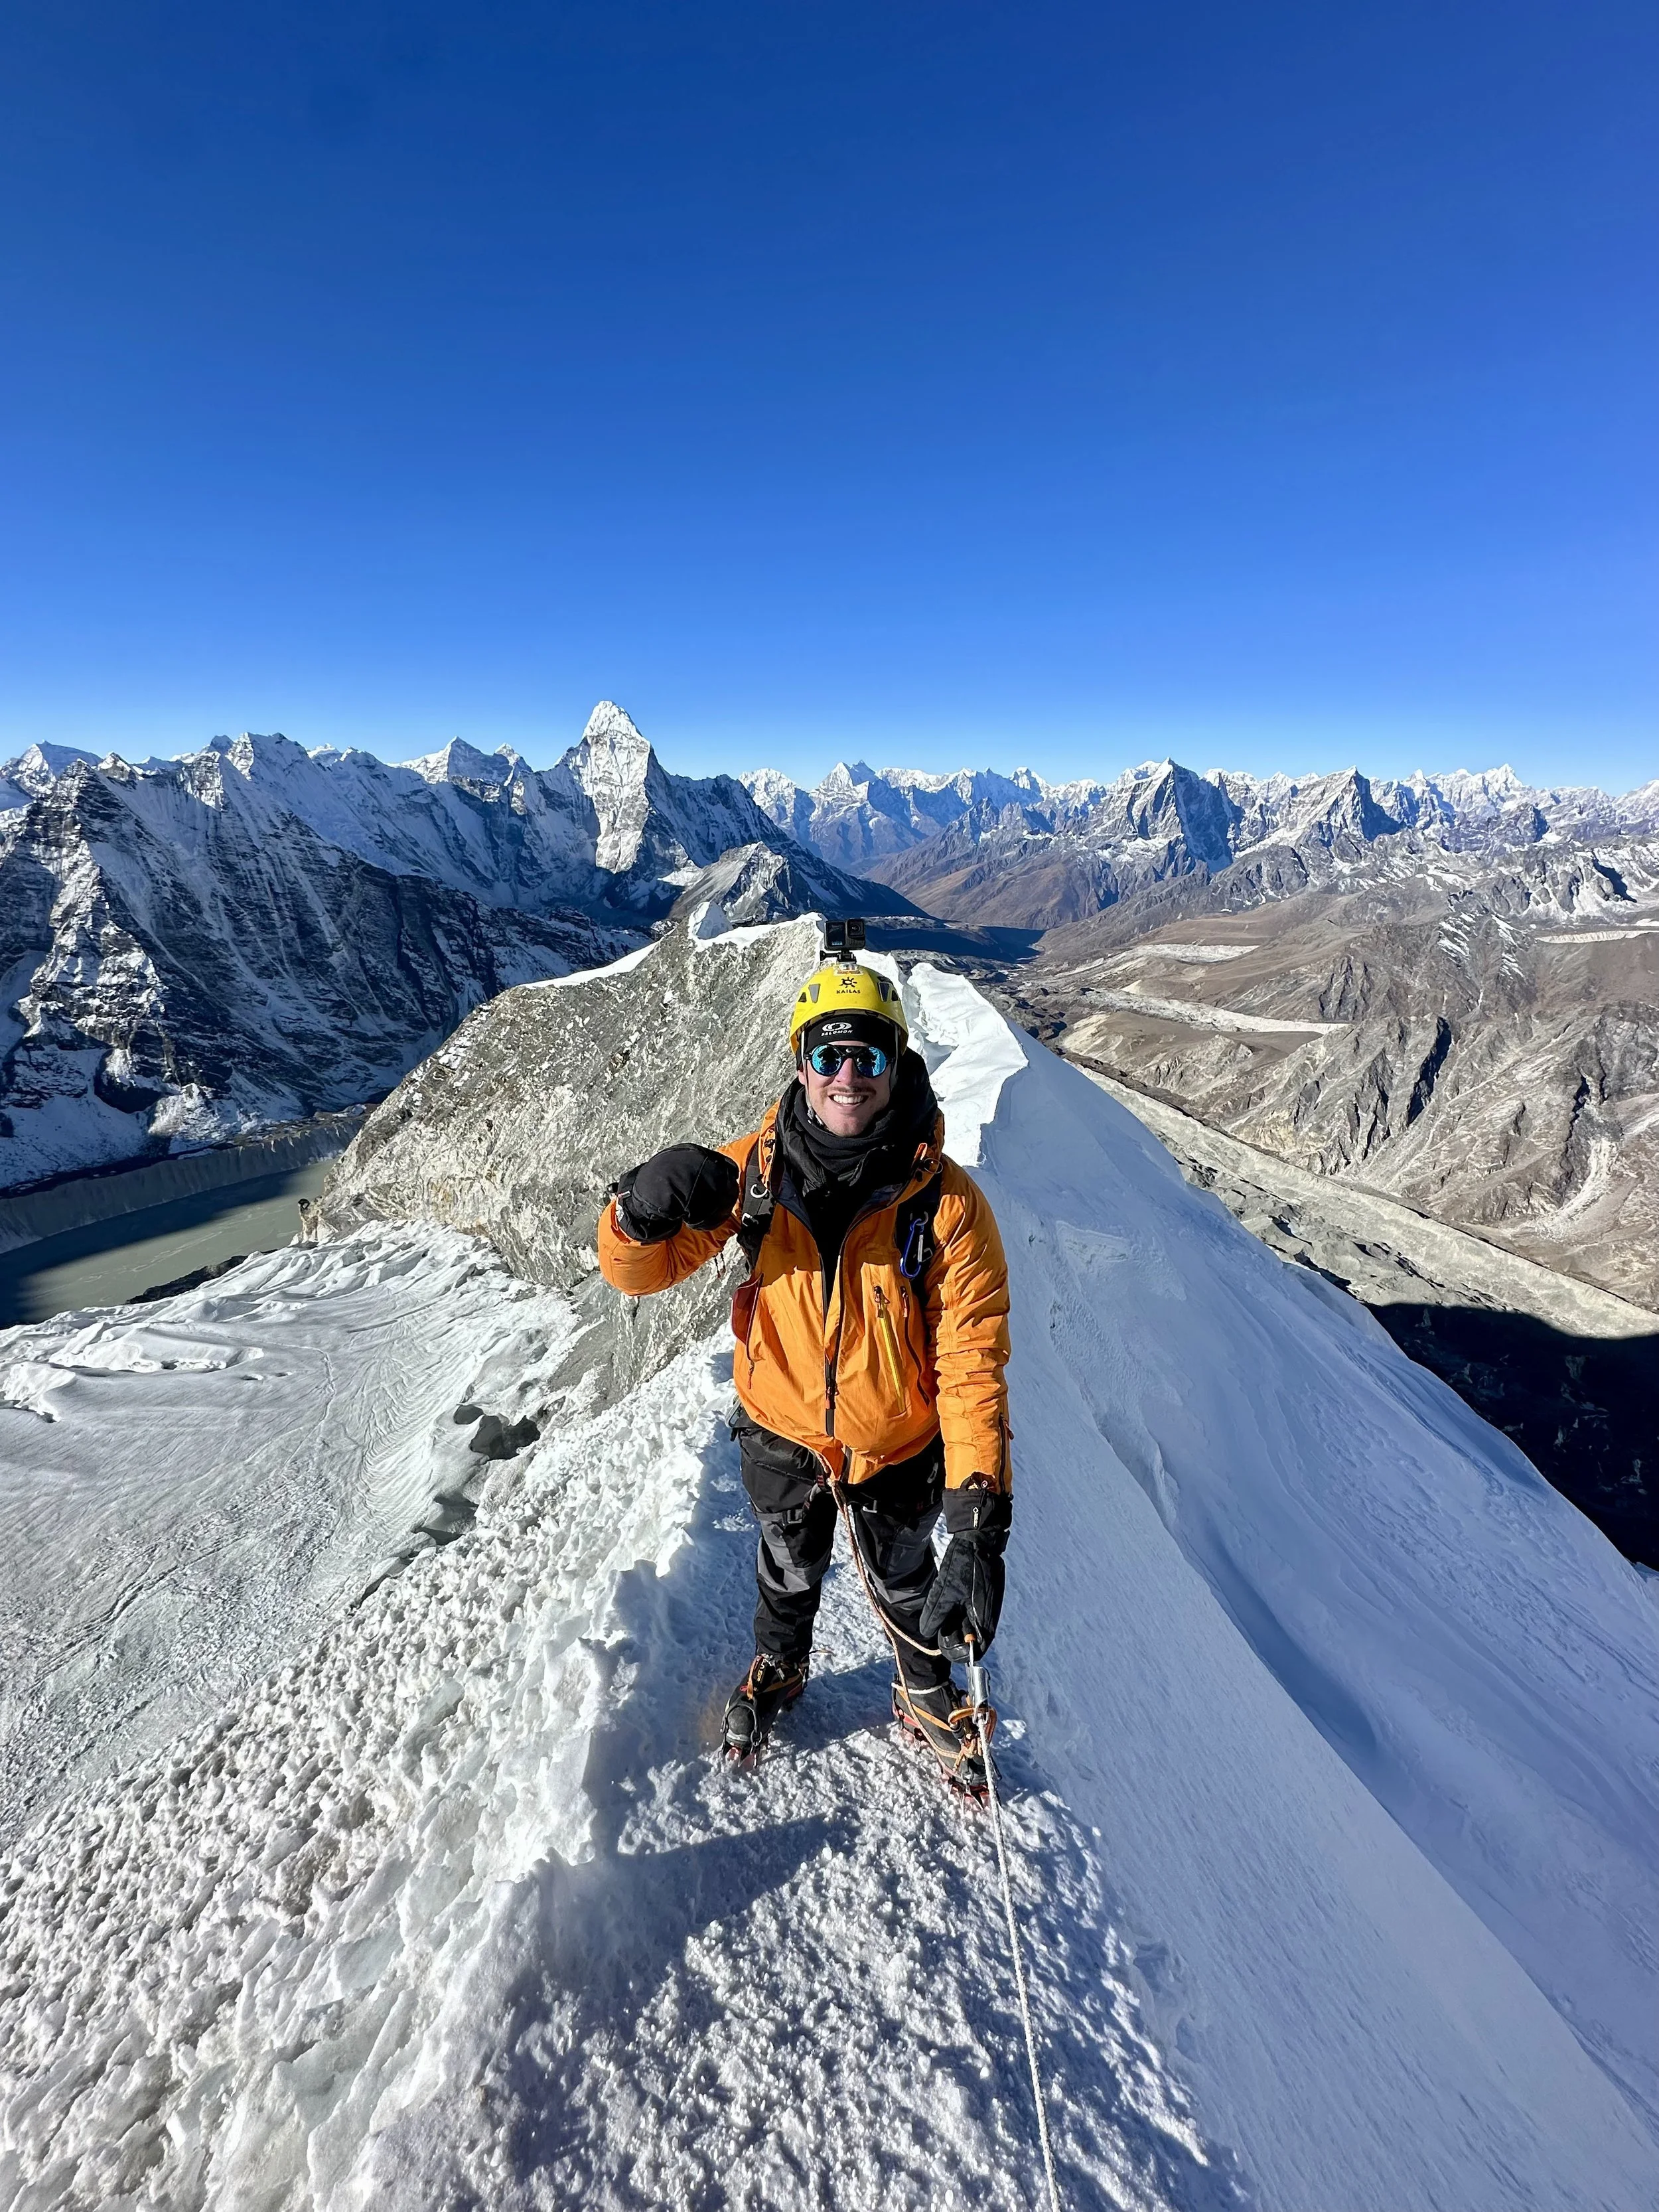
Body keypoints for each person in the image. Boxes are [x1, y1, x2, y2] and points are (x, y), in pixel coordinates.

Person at [597, 936, 1013, 1790]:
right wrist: (636, 1216)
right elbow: (637, 1275)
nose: (847, 1075)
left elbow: (972, 1366)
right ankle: (780, 1666)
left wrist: (978, 1526)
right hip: (782, 1434)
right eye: (829, 1053)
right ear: (801, 1063)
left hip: (898, 1448)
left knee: (907, 1578)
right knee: (787, 1569)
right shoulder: (753, 1171)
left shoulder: (948, 1209)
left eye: (867, 1053)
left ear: (899, 1061)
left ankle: (926, 1689)